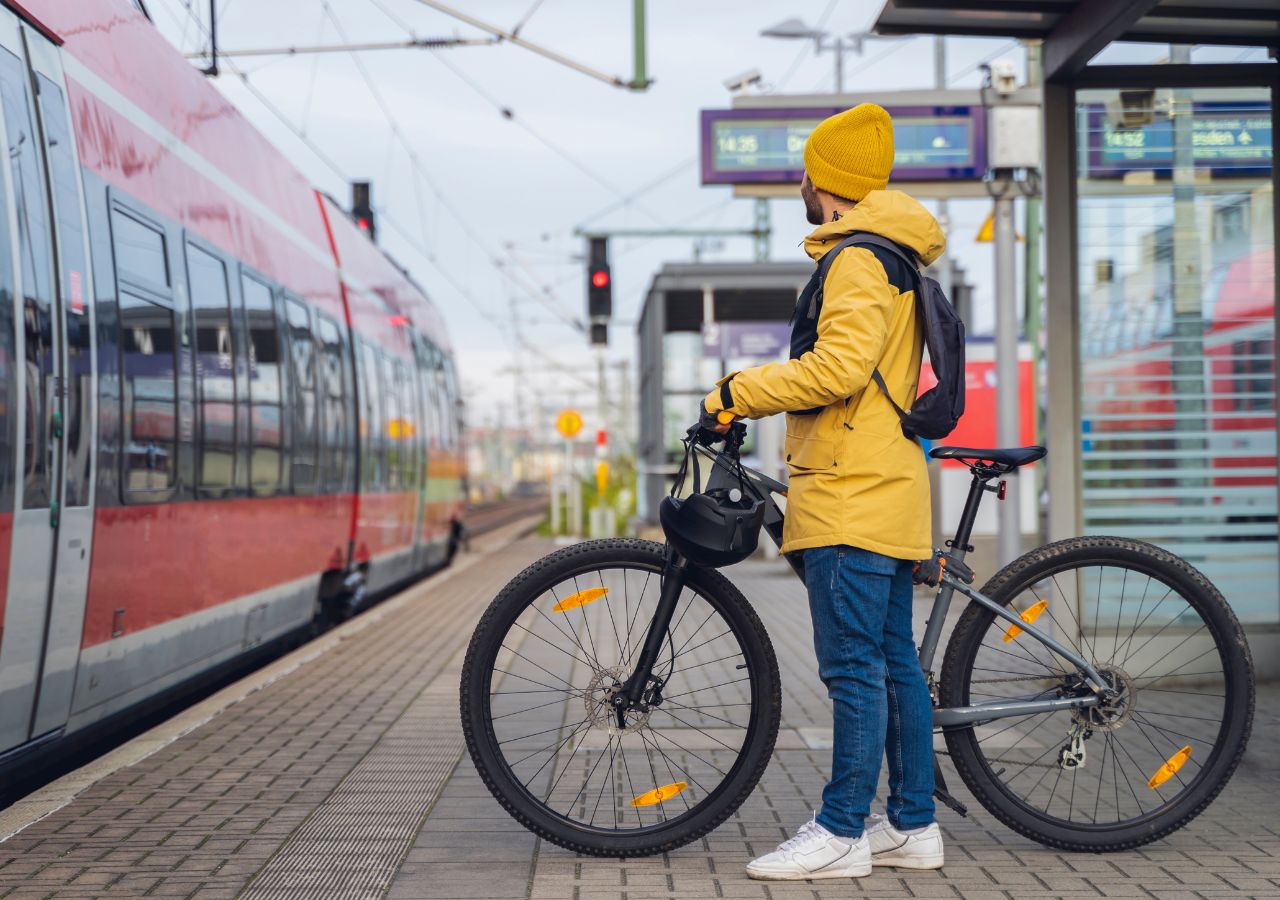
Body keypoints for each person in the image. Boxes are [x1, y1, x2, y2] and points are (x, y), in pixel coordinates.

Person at [698, 103, 946, 880]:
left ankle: (841, 831)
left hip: (851, 491)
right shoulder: (894, 255)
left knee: (852, 670)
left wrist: (737, 391)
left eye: (806, 173)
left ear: (825, 183)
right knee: (892, 662)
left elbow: (837, 370)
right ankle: (912, 825)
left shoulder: (855, 260)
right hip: (884, 483)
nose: (800, 185)